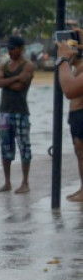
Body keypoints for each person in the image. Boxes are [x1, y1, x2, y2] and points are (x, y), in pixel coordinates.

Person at [0, 35, 35, 194]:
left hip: (21, 112)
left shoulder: (28, 65)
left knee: (24, 146)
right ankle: (7, 182)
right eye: (8, 49)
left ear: (21, 48)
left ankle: (25, 182)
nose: (10, 51)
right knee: (5, 147)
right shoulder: (4, 65)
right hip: (4, 111)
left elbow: (18, 88)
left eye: (13, 48)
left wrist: (6, 81)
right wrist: (17, 77)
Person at [54, 28, 83, 201]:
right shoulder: (77, 67)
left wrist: (62, 59)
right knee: (79, 153)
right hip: (77, 116)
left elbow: (70, 90)